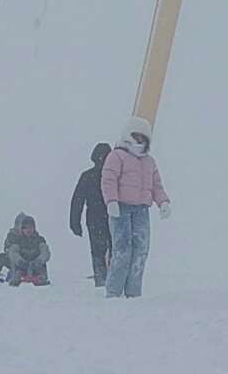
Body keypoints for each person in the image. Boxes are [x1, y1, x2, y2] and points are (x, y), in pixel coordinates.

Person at [101, 117, 171, 298]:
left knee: (141, 251)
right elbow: (108, 179)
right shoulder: (116, 156)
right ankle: (113, 292)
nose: (139, 141)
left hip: (141, 210)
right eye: (136, 136)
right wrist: (111, 201)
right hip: (121, 209)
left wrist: (163, 202)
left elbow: (156, 185)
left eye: (143, 138)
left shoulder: (149, 161)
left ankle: (133, 292)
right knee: (122, 250)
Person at [71, 143, 113, 286]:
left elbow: (77, 200)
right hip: (99, 219)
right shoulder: (88, 176)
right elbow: (78, 200)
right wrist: (74, 222)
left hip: (111, 217)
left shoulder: (115, 176)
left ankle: (109, 280)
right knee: (100, 251)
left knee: (110, 250)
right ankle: (102, 280)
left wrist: (75, 222)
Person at [2, 214, 51, 286]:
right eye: (25, 228)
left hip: (36, 266)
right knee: (17, 272)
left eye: (30, 227)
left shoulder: (40, 240)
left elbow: (45, 252)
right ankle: (16, 278)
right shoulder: (18, 240)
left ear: (34, 228)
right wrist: (20, 261)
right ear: (22, 229)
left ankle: (40, 278)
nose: (28, 230)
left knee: (41, 272)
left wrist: (39, 260)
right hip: (22, 266)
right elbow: (13, 252)